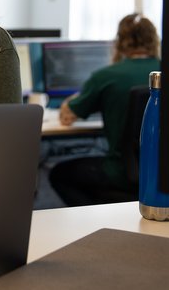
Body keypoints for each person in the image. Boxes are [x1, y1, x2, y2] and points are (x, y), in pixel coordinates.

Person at [48, 13, 161, 206]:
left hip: (121, 172)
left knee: (59, 174)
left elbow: (67, 117)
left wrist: (79, 96)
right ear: (154, 39)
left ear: (119, 42)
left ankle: (97, 216)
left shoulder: (106, 76)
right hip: (167, 172)